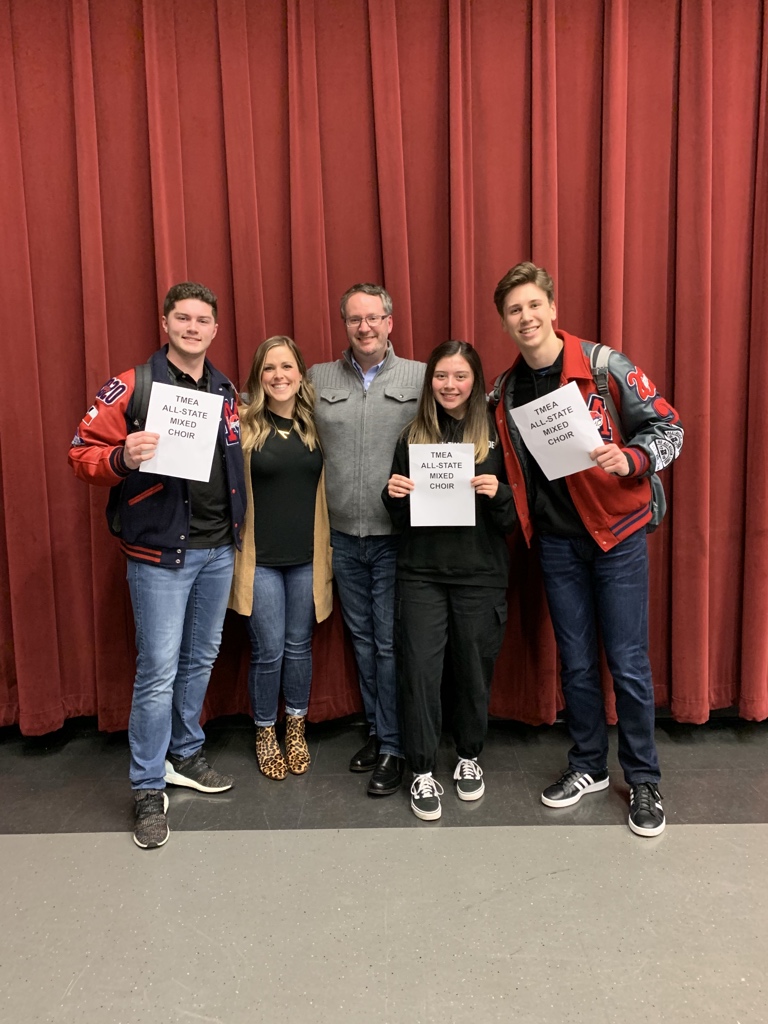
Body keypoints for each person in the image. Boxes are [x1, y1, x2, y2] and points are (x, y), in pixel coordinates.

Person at [492, 261, 684, 836]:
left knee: (626, 662)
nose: (525, 317)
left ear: (552, 307)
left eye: (533, 305)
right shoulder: (504, 391)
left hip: (617, 536)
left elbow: (669, 427)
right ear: (504, 323)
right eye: (513, 311)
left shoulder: (604, 366)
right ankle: (587, 766)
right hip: (556, 543)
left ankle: (643, 779)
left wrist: (631, 458)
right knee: (575, 662)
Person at [69, 282, 245, 849]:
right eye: (183, 319)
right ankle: (147, 785)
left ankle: (184, 752)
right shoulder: (133, 384)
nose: (194, 328)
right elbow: (81, 452)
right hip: (160, 554)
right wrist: (121, 457)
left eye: (203, 321)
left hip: (218, 548)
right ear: (166, 323)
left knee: (202, 656)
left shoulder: (224, 388)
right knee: (159, 669)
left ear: (215, 330)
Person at [382, 341, 516, 821]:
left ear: (476, 381)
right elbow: (399, 515)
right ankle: (421, 770)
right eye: (441, 376)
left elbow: (517, 519)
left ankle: (468, 758)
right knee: (419, 672)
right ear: (429, 381)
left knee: (473, 673)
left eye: (460, 376)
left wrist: (500, 494)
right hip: (421, 574)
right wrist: (393, 494)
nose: (450, 385)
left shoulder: (497, 436)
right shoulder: (411, 436)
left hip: (481, 575)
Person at [308, 284, 425, 796]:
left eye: (374, 318)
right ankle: (380, 733)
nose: (365, 327)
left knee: (388, 643)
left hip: (395, 537)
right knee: (361, 642)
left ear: (390, 322)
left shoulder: (421, 378)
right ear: (345, 324)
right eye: (354, 319)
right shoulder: (317, 379)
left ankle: (395, 747)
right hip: (341, 537)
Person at [229, 336, 332, 780]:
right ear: (258, 376)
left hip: (308, 558)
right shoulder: (244, 427)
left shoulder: (315, 426)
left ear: (300, 374)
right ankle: (265, 731)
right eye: (269, 368)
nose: (278, 376)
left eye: (287, 366)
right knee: (269, 651)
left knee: (298, 648)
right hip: (262, 562)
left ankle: (296, 727)